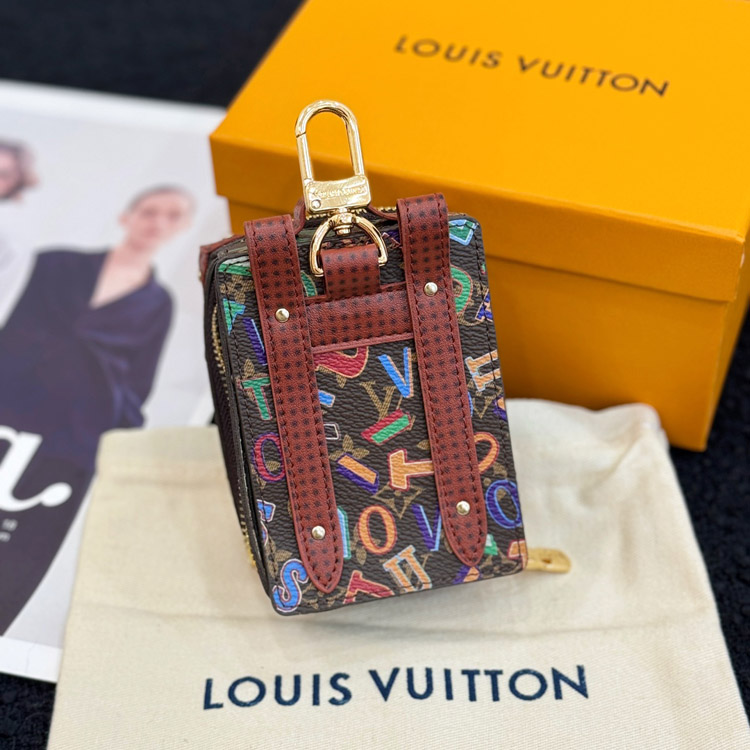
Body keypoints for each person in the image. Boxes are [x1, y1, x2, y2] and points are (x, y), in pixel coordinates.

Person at [0, 185, 194, 633]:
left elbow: (140, 383)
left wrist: (112, 439)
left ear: (181, 227)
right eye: (149, 211)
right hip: (11, 410)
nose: (157, 223)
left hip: (76, 437)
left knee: (24, 540)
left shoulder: (157, 302)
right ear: (128, 216)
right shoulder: (55, 263)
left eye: (171, 216)